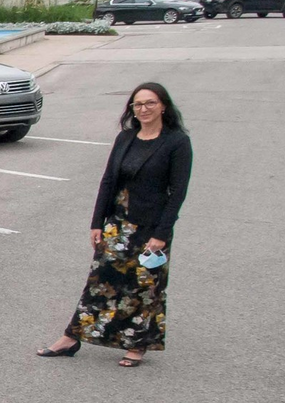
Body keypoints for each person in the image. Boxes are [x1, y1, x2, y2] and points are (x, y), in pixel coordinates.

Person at [39, 83, 192, 368]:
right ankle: (71, 337)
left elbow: (178, 192)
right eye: (138, 104)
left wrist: (162, 233)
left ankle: (137, 344)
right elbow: (108, 181)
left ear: (163, 106)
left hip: (151, 228)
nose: (143, 109)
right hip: (117, 225)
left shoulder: (176, 142)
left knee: (145, 287)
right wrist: (97, 222)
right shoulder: (126, 138)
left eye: (150, 103)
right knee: (99, 283)